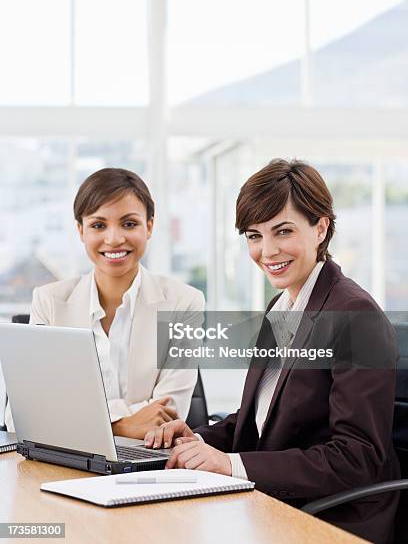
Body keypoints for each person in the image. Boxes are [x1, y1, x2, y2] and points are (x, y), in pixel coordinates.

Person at [144, 159, 399, 543]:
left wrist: (230, 465)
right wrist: (200, 440)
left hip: (334, 519)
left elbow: (356, 457)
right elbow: (264, 421)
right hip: (277, 504)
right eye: (253, 236)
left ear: (320, 228)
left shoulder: (353, 314)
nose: (267, 251)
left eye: (282, 231)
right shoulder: (283, 307)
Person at [5, 168, 204, 439]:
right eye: (99, 225)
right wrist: (120, 425)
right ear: (80, 230)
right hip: (67, 459)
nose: (114, 239)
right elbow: (20, 416)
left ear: (149, 226)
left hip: (148, 461)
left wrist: (73, 416)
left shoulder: (185, 303)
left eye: (129, 223)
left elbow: (167, 412)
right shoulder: (49, 301)